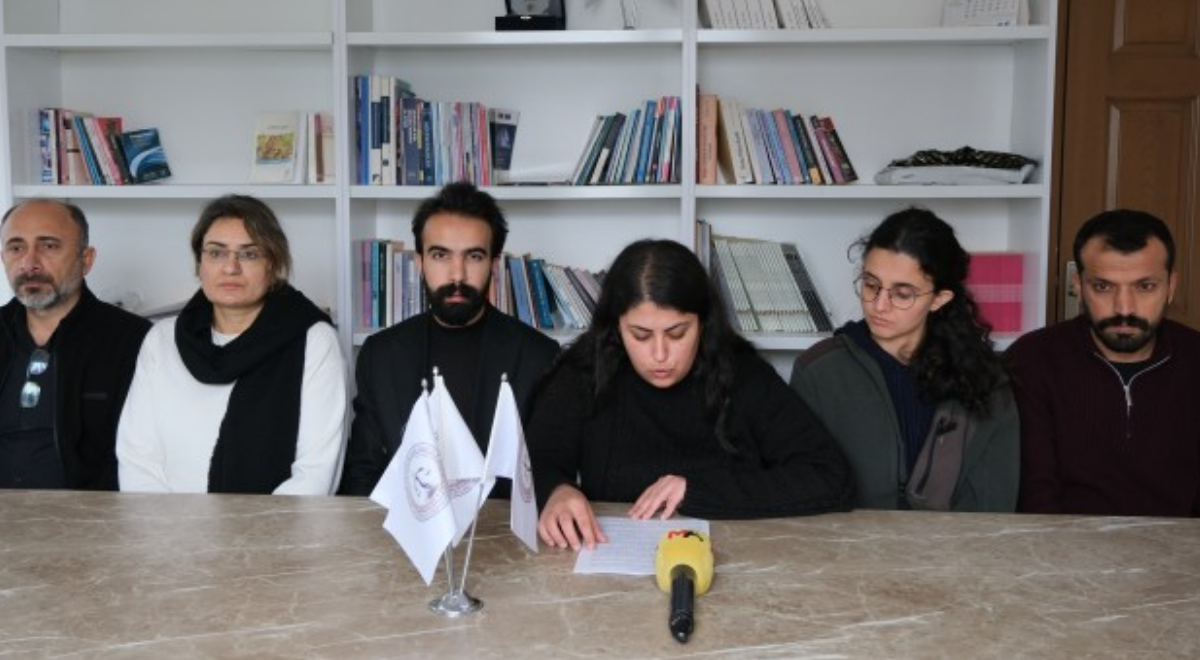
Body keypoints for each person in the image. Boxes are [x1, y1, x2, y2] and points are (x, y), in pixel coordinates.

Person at [529, 238, 855, 550]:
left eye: (677, 333)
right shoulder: (584, 373)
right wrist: (556, 491)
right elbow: (537, 462)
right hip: (610, 559)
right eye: (640, 335)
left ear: (702, 324)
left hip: (740, 559)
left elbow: (830, 476)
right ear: (616, 327)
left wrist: (697, 490)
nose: (659, 355)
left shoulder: (744, 376)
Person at [789, 208, 1018, 512]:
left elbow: (993, 506)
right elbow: (802, 490)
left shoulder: (985, 381)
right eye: (871, 284)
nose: (879, 305)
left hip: (956, 543)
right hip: (846, 541)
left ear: (939, 299)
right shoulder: (818, 371)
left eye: (902, 294)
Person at [339, 182, 560, 496]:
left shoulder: (539, 356)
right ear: (420, 263)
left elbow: (548, 473)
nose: (457, 275)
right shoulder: (380, 355)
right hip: (402, 524)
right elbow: (362, 473)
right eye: (441, 255)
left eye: (474, 256)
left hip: (499, 525)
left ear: (494, 264)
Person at [116, 195, 347, 495]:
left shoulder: (313, 341)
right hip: (165, 522)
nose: (230, 268)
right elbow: (137, 458)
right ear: (200, 263)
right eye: (216, 253)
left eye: (249, 254)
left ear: (273, 264)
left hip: (276, 523)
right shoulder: (161, 339)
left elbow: (316, 473)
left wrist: (249, 527)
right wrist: (166, 523)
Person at [1006, 209, 1200, 516]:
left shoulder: (1194, 359)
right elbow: (1034, 495)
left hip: (1183, 544)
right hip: (1063, 542)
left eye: (1145, 286)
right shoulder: (1032, 359)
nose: (1124, 308)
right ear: (1078, 285)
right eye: (1103, 287)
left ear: (1171, 286)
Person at [0, 199, 151, 490]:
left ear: (86, 260)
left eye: (49, 246)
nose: (29, 263)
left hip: (88, 514)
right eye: (16, 248)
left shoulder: (134, 341)